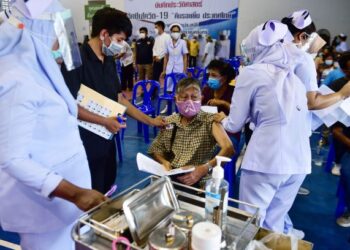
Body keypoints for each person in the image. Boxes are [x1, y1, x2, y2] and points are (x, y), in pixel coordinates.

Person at [0, 1, 106, 249]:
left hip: (63, 208)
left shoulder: (37, 67)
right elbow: (12, 158)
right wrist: (75, 193)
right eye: (60, 40)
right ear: (40, 32)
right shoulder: (16, 79)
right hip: (44, 213)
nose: (62, 50)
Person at [215, 20, 326, 235]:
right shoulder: (293, 75)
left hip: (266, 160)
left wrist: (219, 120)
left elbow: (235, 124)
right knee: (274, 224)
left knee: (250, 221)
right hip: (299, 162)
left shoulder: (251, 73)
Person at [61, 7, 165, 194]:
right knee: (88, 194)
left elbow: (118, 98)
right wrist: (104, 121)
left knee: (105, 188)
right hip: (83, 144)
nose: (122, 45)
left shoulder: (109, 60)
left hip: (107, 140)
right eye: (119, 40)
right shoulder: (75, 59)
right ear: (103, 34)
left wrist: (150, 121)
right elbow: (68, 106)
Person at [281, 10, 350, 236]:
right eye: (314, 37)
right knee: (280, 195)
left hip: (277, 131)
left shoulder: (276, 53)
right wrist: (340, 95)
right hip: (292, 134)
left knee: (275, 196)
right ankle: (278, 232)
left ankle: (281, 228)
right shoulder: (303, 59)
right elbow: (312, 102)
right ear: (303, 36)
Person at [148, 78, 234, 187]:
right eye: (184, 98)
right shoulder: (169, 121)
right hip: (171, 177)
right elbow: (156, 149)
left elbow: (229, 148)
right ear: (176, 99)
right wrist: (164, 162)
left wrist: (205, 168)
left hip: (199, 179)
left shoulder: (210, 120)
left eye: (194, 98)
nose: (189, 102)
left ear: (201, 99)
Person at [202, 60, 240, 153]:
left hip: (228, 132)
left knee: (220, 148)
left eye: (214, 75)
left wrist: (223, 103)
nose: (210, 78)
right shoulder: (207, 90)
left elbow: (239, 114)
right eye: (209, 75)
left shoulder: (234, 92)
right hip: (208, 130)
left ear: (224, 78)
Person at [328, 52, 350, 177]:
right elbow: (335, 129)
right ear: (344, 70)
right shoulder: (336, 87)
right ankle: (338, 163)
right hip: (343, 129)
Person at [162, 23, 189, 92]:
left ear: (179, 32)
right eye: (174, 31)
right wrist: (164, 70)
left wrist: (184, 70)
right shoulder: (167, 42)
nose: (175, 33)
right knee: (168, 89)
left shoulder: (183, 42)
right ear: (171, 32)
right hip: (169, 68)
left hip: (179, 68)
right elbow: (166, 57)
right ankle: (169, 103)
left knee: (178, 89)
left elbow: (185, 57)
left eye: (177, 31)